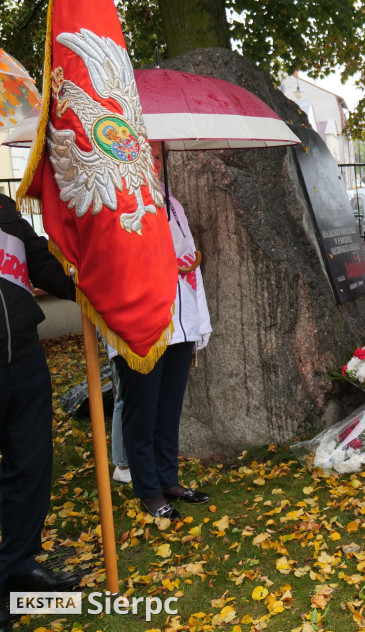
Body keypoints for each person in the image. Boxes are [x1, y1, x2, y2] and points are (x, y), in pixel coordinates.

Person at [115, 149, 213, 520]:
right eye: (145, 152)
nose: (153, 159)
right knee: (143, 409)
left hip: (180, 316)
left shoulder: (171, 200)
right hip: (141, 319)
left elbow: (187, 257)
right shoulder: (120, 200)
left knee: (169, 406)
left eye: (156, 153)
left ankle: (167, 477)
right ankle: (149, 490)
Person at [1, 194, 80, 632]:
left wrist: (90, 282)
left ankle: (18, 565)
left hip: (25, 361)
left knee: (30, 467)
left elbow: (42, 264)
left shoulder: (4, 210)